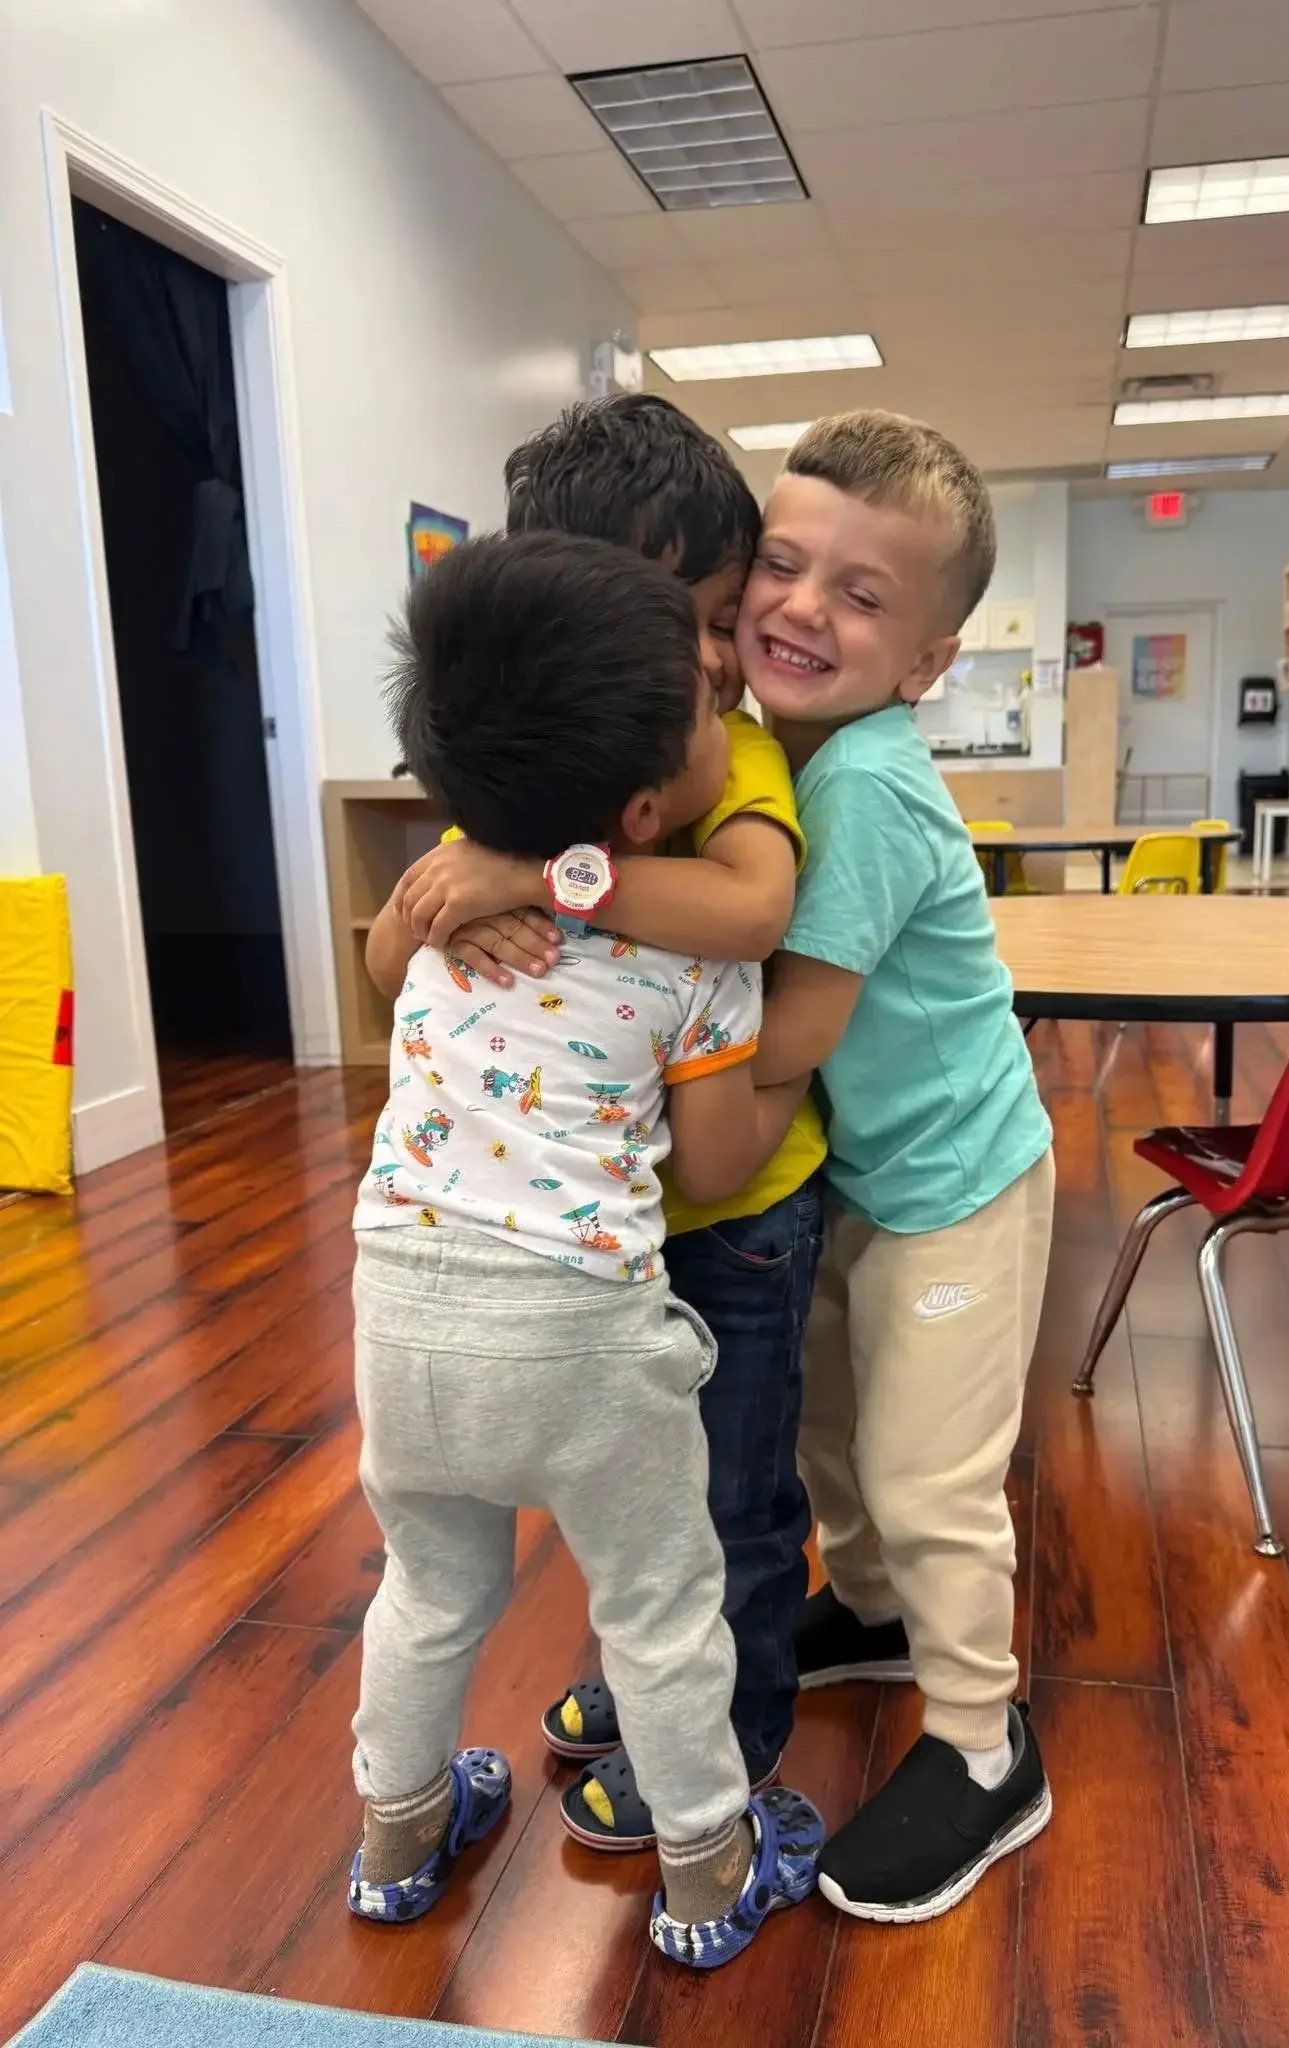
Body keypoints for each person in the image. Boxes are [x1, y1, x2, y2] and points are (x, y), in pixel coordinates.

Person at [348, 528, 824, 1969]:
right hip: (586, 1349)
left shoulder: (438, 921)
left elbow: (385, 978)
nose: (724, 715)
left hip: (402, 1326)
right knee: (664, 1614)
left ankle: (396, 1837)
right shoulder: (698, 963)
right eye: (704, 711)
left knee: (427, 1594)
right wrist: (800, 1065)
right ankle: (704, 1878)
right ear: (644, 803)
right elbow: (723, 1163)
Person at [734, 410, 1057, 1925]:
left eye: (863, 597)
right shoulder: (764, 742)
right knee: (834, 1431)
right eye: (784, 565)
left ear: (928, 661)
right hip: (859, 1172)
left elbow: (790, 1028)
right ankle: (866, 1613)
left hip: (959, 1181)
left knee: (933, 1473)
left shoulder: (860, 777)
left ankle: (988, 1750)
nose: (804, 606)